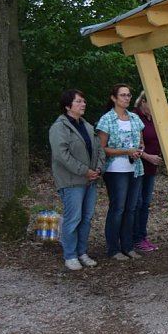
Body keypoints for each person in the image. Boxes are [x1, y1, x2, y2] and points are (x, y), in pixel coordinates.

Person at [49, 89, 106, 271]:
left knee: (86, 218)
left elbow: (99, 149)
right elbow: (61, 155)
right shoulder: (59, 128)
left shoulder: (87, 126)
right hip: (72, 181)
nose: (83, 104)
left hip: (90, 180)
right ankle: (70, 255)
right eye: (79, 101)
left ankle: (82, 252)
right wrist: (84, 171)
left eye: (84, 101)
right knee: (73, 218)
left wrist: (98, 169)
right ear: (68, 106)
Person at [96, 84, 145, 261]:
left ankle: (128, 246)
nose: (127, 98)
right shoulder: (106, 120)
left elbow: (141, 142)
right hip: (116, 170)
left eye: (129, 95)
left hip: (135, 169)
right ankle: (113, 248)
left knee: (131, 208)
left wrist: (139, 150)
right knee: (118, 208)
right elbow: (102, 148)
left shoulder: (134, 118)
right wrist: (126, 151)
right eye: (123, 95)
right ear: (114, 98)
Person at [133, 91, 164, 252]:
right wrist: (147, 156)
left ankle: (142, 236)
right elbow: (132, 143)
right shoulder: (134, 117)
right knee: (136, 203)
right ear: (143, 101)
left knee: (145, 203)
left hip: (151, 169)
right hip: (138, 167)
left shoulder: (154, 119)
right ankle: (134, 238)